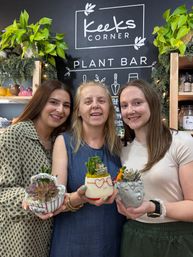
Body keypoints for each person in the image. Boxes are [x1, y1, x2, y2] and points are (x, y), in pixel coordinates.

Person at [116, 79, 193, 257]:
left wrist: (153, 207)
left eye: (137, 103)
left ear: (152, 104)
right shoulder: (122, 149)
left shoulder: (181, 142)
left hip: (177, 240)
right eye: (124, 105)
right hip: (135, 238)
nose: (130, 110)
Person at [49, 81, 126, 257]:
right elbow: (55, 199)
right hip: (71, 242)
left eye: (101, 100)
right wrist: (80, 198)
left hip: (111, 241)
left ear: (110, 108)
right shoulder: (64, 142)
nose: (95, 105)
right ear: (78, 111)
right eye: (88, 101)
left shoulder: (119, 146)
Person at [0, 80, 72, 257]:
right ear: (40, 102)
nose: (60, 110)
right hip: (18, 236)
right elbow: (3, 188)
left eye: (66, 105)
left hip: (51, 237)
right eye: (53, 102)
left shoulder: (60, 141)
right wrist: (29, 199)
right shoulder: (14, 135)